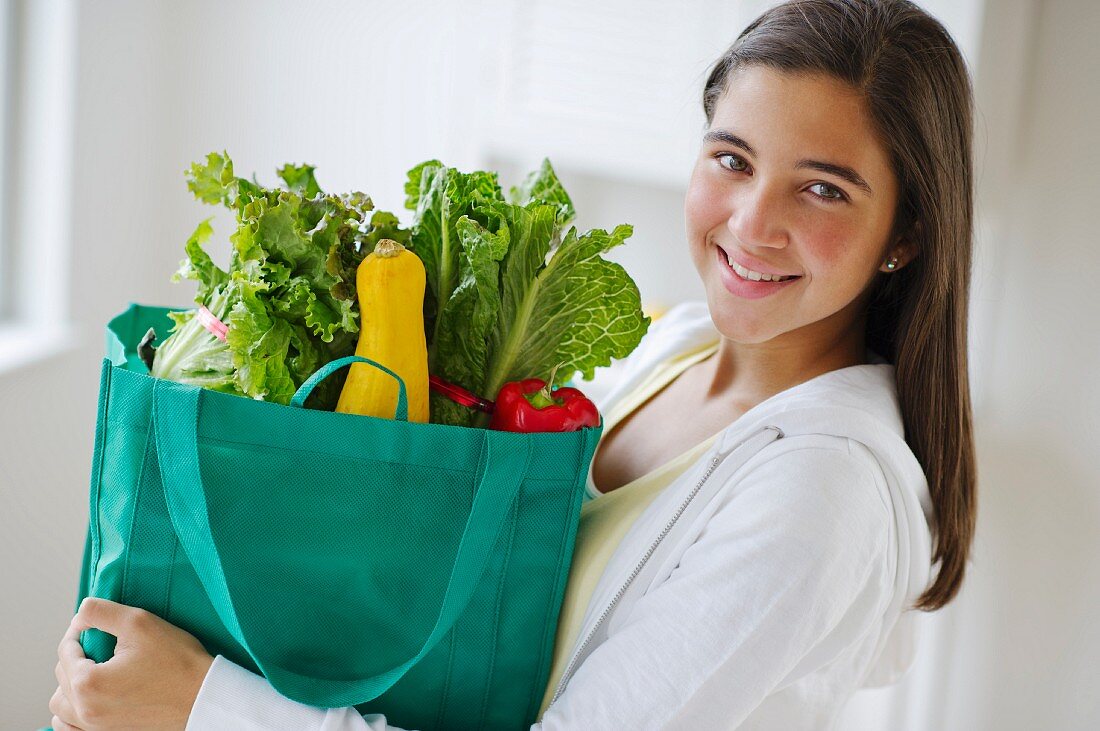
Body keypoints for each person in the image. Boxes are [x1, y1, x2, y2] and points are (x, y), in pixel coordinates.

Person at [50, 0, 978, 728]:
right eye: (732, 159)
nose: (751, 224)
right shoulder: (677, 344)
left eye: (822, 188)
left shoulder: (822, 490)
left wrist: (200, 705)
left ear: (905, 234)